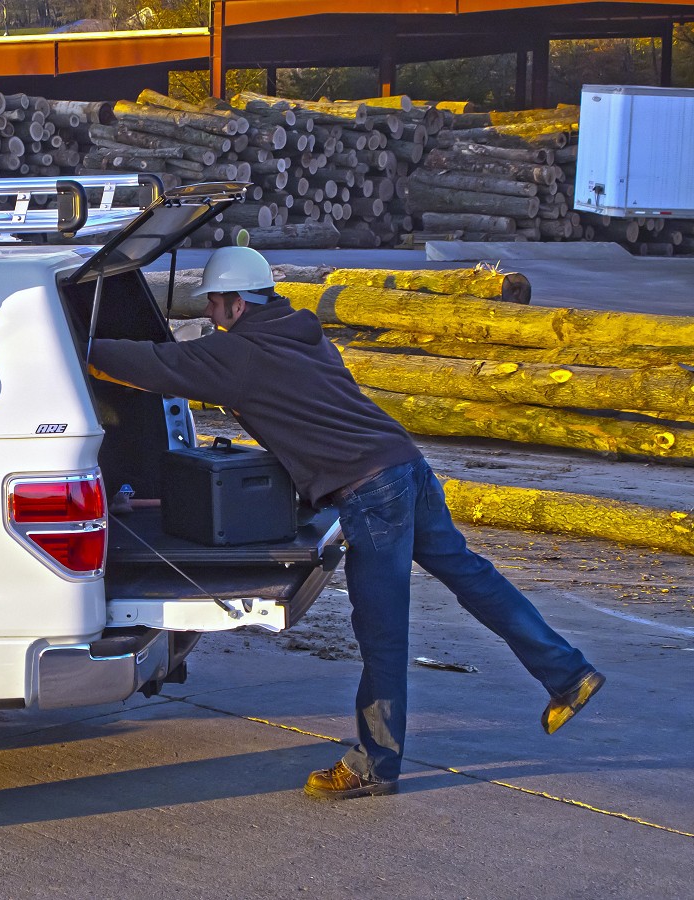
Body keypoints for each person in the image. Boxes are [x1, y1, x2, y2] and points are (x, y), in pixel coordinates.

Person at [88, 245, 604, 799]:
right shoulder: (301, 331)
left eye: (214, 304)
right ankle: (568, 673)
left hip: (371, 492)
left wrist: (75, 345)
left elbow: (155, 364)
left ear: (238, 304)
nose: (209, 315)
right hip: (407, 467)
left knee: (382, 630)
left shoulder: (238, 355)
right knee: (473, 577)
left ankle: (374, 763)